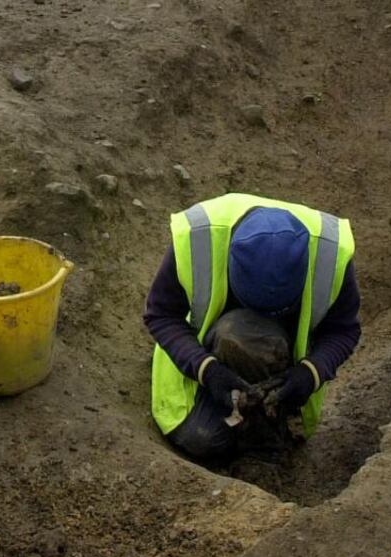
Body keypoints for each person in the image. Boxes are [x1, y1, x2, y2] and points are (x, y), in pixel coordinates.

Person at [144, 193, 361, 460]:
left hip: (284, 363)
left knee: (252, 346)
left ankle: (268, 418)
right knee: (204, 439)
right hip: (205, 356)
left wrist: (310, 373)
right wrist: (207, 370)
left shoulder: (329, 254)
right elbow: (161, 315)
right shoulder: (198, 237)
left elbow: (343, 329)